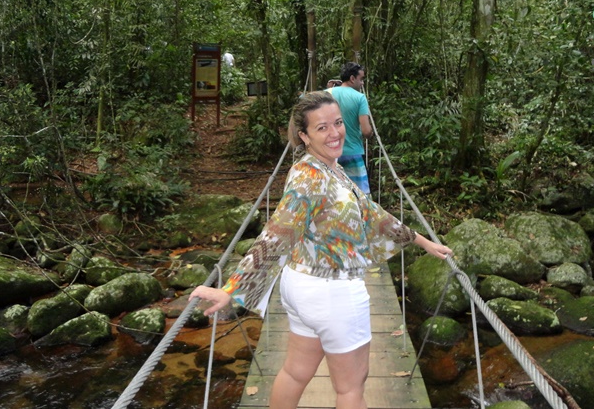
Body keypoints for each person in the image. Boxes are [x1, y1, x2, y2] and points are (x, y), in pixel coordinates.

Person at [190, 91, 452, 409]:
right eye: (322, 128)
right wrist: (231, 290)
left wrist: (422, 242)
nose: (335, 133)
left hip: (302, 290)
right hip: (333, 294)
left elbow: (370, 212)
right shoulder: (310, 179)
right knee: (350, 389)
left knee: (296, 372)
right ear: (304, 135)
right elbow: (278, 233)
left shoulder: (325, 168)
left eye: (338, 123)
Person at [327, 62, 373, 195]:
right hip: (353, 153)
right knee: (360, 196)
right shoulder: (360, 98)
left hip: (329, 154)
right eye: (361, 79)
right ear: (352, 79)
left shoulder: (326, 94)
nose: (362, 83)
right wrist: (370, 133)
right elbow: (366, 131)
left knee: (334, 196)